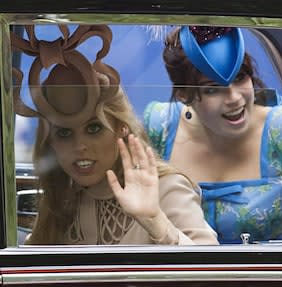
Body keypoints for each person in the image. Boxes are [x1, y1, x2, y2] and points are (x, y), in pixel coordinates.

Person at [11, 24, 218, 245]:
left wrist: (157, 223)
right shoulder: (62, 201)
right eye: (64, 132)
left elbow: (217, 274)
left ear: (122, 129)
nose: (79, 145)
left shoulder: (166, 188)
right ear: (50, 142)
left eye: (93, 128)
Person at [144, 26, 282, 244]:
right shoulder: (159, 127)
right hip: (179, 277)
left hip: (279, 276)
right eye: (213, 88)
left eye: (239, 78)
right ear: (183, 95)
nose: (234, 98)